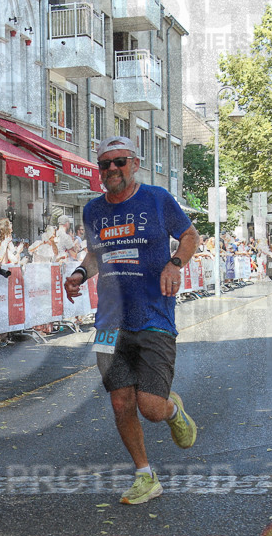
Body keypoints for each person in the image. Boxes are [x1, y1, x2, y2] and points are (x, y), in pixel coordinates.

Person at [63, 136, 199, 506]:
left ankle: (172, 409)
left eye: (119, 162)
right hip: (109, 321)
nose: (111, 170)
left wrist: (175, 264)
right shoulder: (93, 211)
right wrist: (79, 273)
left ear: (134, 164)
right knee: (121, 403)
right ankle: (144, 475)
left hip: (153, 315)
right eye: (104, 164)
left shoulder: (156, 198)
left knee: (150, 408)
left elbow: (189, 235)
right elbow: (95, 254)